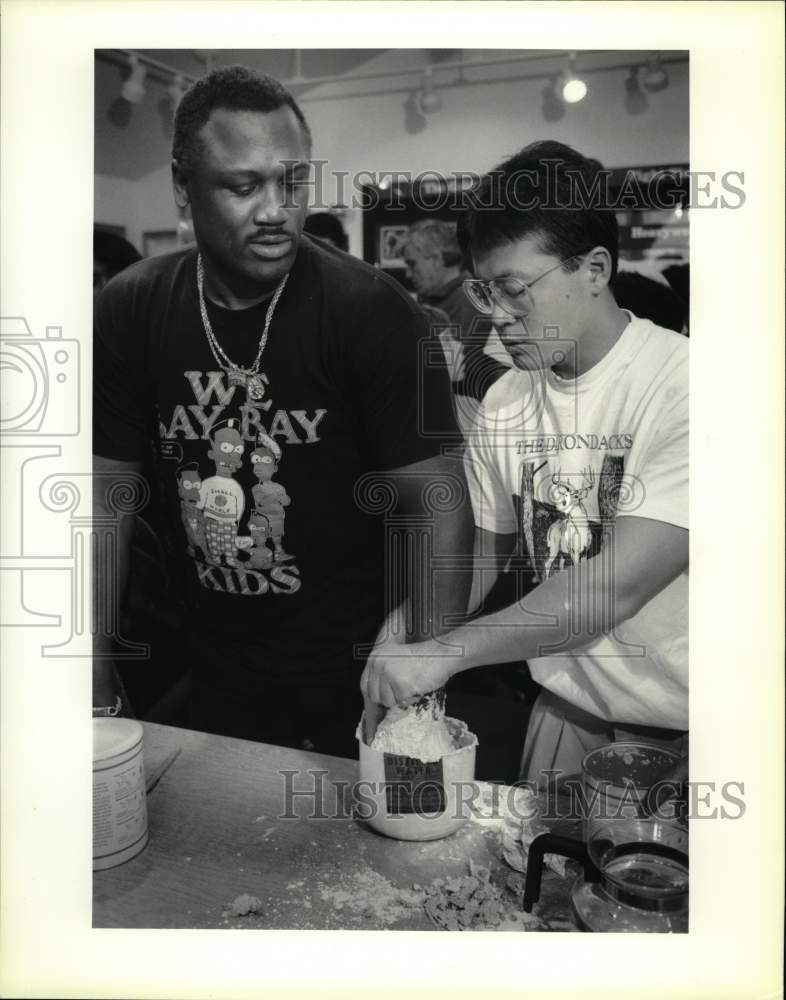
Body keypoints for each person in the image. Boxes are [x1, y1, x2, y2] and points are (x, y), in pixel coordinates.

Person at [93, 66, 472, 757]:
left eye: (293, 182)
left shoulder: (370, 311)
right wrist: (91, 678)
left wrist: (418, 672)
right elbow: (101, 504)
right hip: (208, 658)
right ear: (182, 186)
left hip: (356, 667)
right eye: (243, 187)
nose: (276, 210)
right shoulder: (131, 306)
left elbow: (440, 506)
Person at [362, 141, 688, 783]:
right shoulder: (510, 398)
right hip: (568, 707)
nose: (497, 317)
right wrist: (405, 631)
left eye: (514, 291)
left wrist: (445, 652)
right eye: (483, 292)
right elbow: (476, 559)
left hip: (690, 719)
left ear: (594, 269)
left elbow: (611, 588)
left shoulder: (685, 385)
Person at [399, 219, 508, 434]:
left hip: (465, 423)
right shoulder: (440, 301)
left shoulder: (469, 303)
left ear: (438, 258)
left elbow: (446, 372)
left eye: (412, 264)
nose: (409, 274)